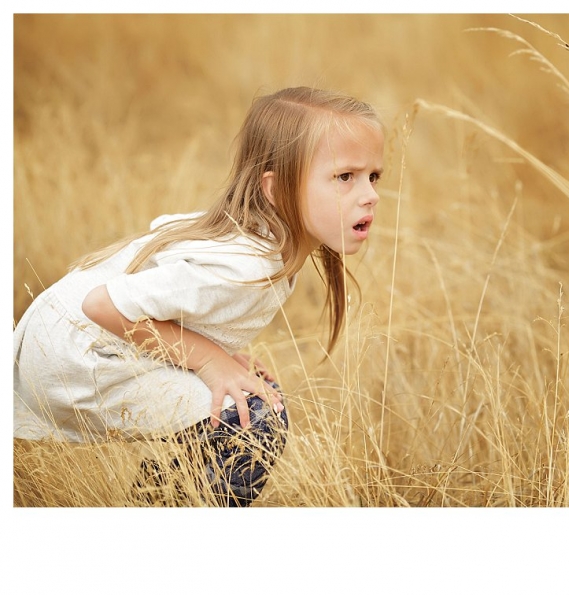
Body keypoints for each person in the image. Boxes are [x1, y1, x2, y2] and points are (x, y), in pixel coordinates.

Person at [13, 86, 386, 506]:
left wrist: (218, 352)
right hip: (74, 354)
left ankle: (160, 501)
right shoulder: (247, 264)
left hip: (82, 338)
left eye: (373, 176)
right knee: (253, 423)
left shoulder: (267, 246)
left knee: (246, 401)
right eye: (345, 177)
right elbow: (103, 305)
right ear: (277, 190)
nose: (370, 195)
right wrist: (209, 360)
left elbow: (174, 306)